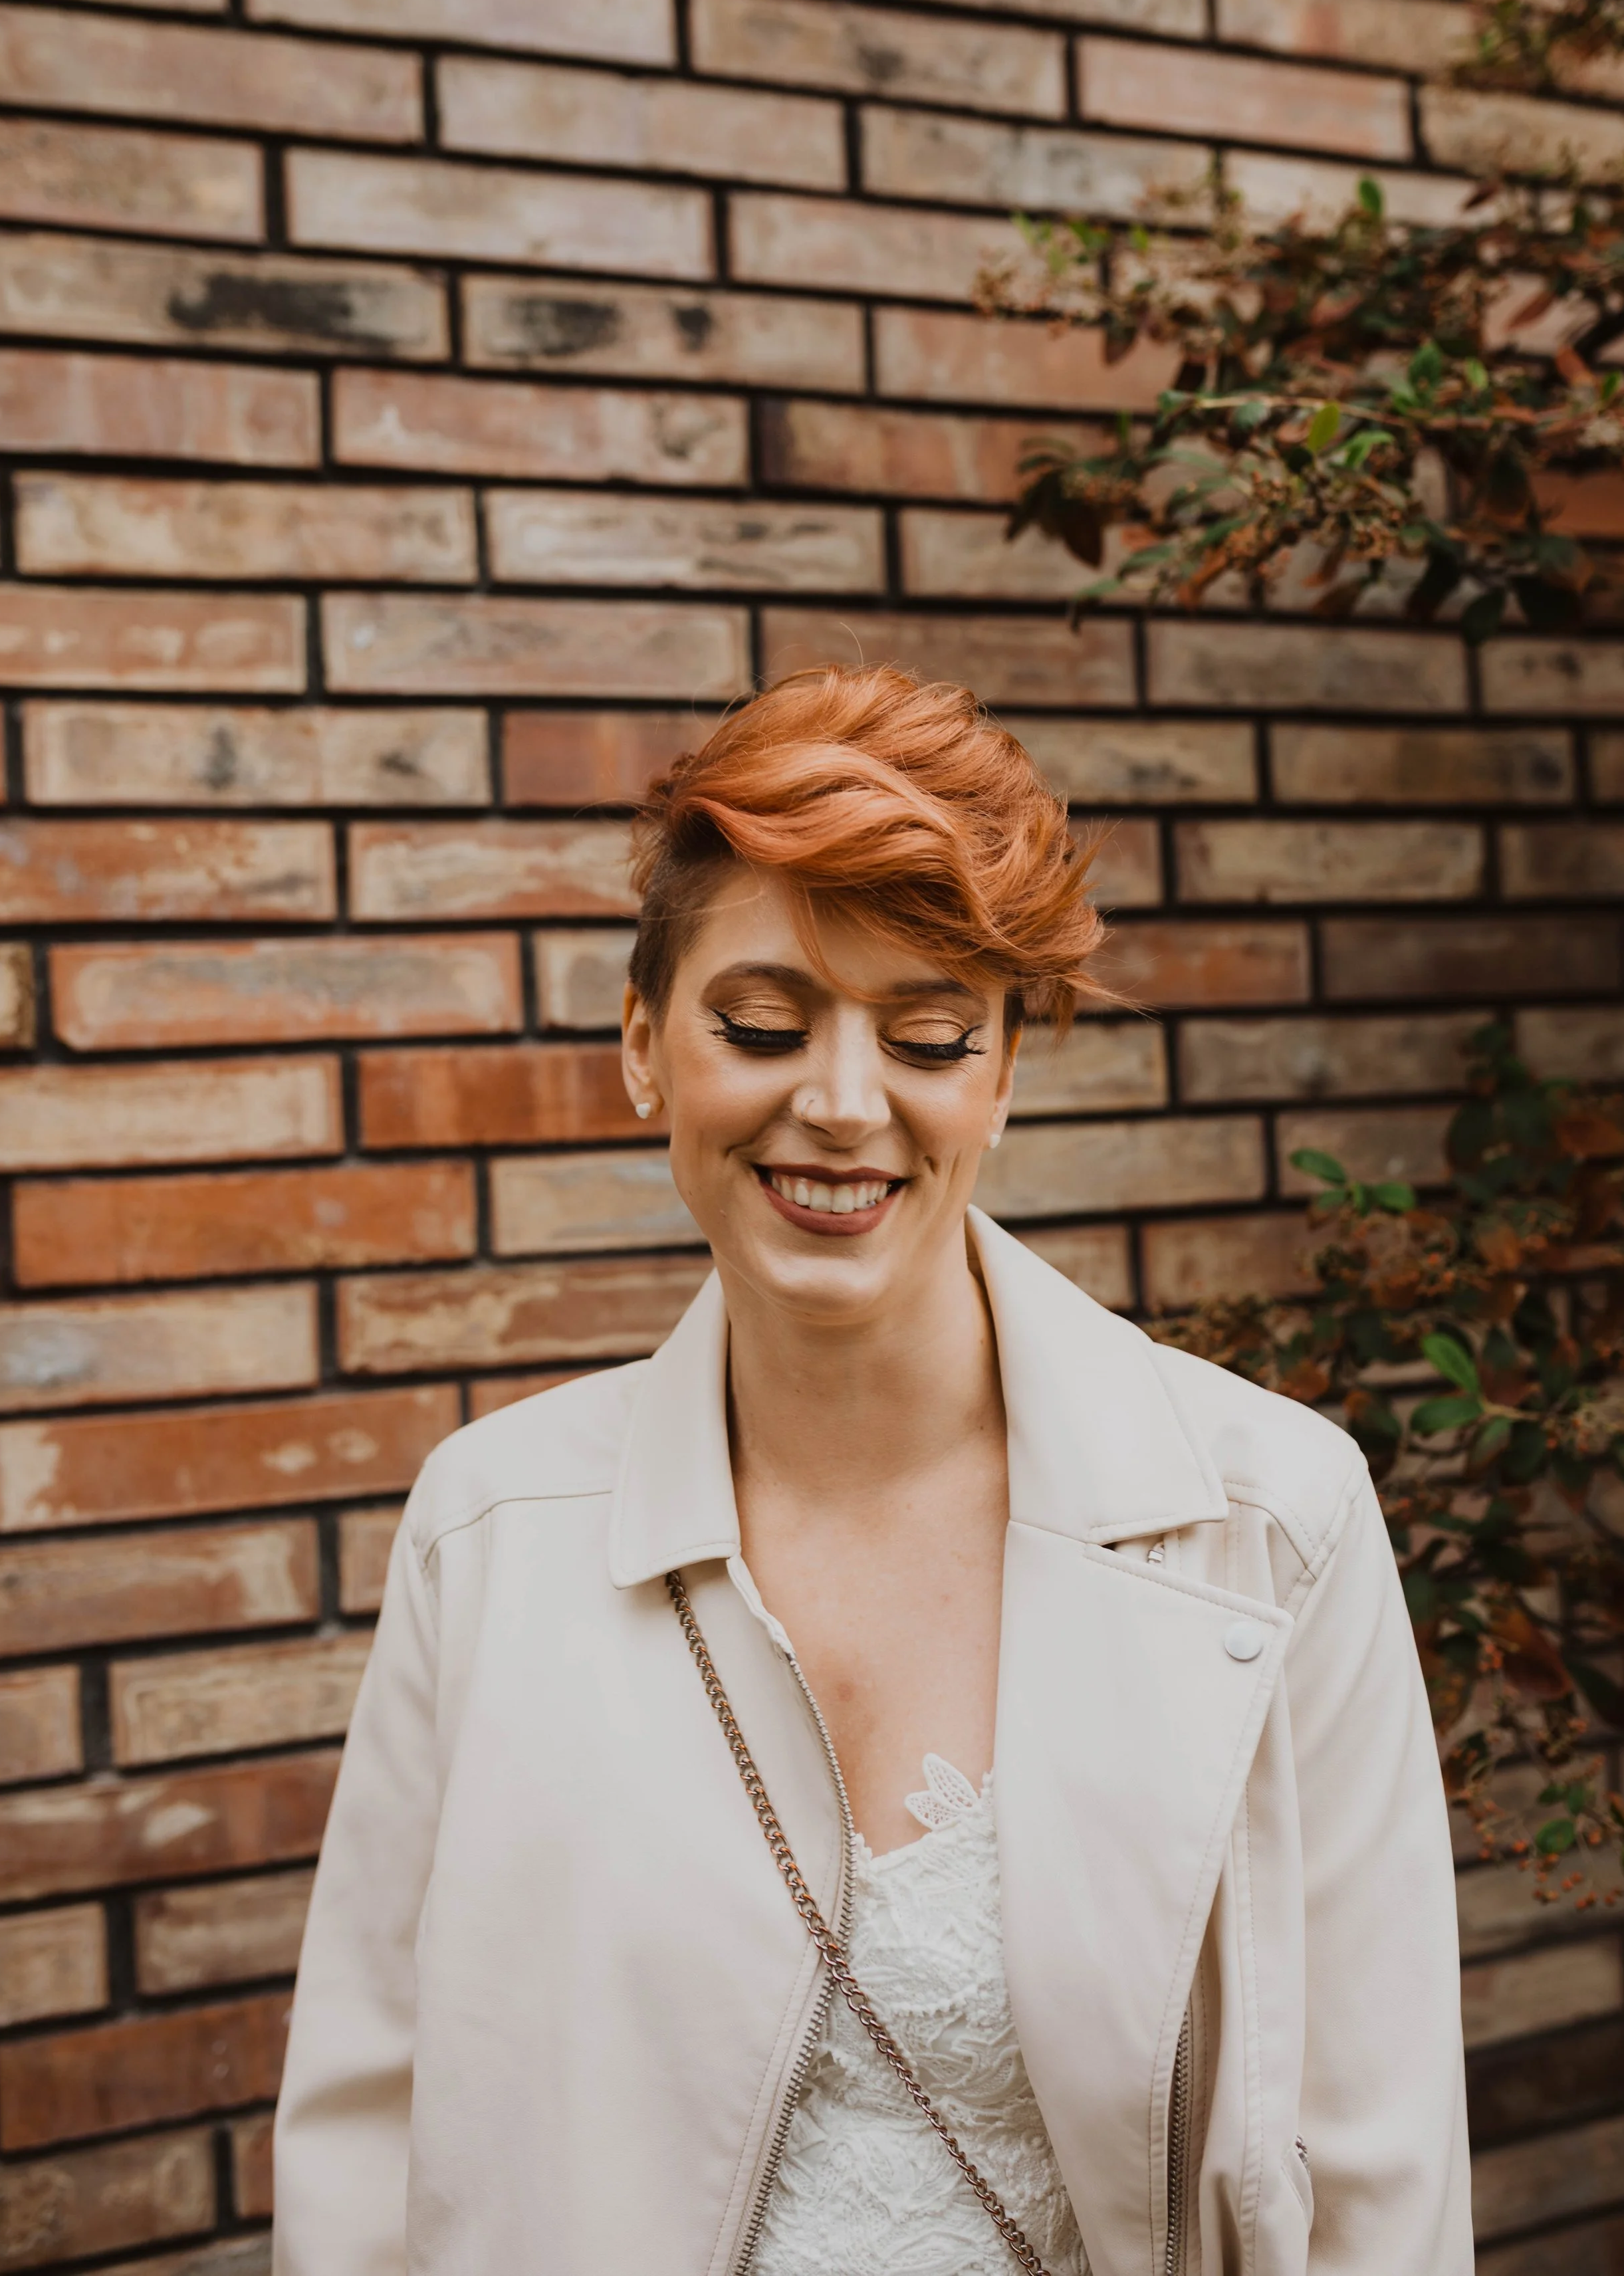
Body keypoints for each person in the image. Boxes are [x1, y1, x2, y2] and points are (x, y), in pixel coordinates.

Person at [273, 667, 1470, 2276]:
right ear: (644, 1047)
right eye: (763, 1025)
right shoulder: (487, 1529)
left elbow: (1378, 2179)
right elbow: (369, 2135)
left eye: (924, 1036)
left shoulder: (1270, 1526)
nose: (841, 1108)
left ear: (996, 1078)